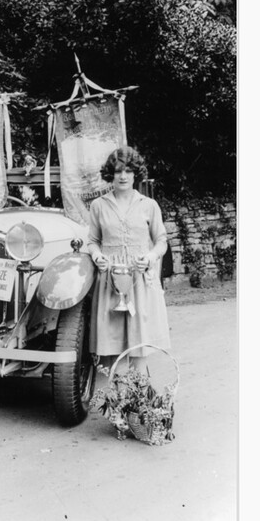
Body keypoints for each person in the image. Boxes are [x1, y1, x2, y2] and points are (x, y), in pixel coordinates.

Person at [86, 146, 171, 375]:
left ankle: (139, 394)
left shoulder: (149, 205)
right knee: (111, 346)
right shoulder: (98, 205)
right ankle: (116, 395)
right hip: (110, 281)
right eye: (117, 171)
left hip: (139, 279)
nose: (123, 176)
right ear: (110, 174)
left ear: (136, 174)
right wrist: (97, 256)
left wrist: (150, 257)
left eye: (128, 171)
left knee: (139, 345)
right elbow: (92, 241)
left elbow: (161, 241)